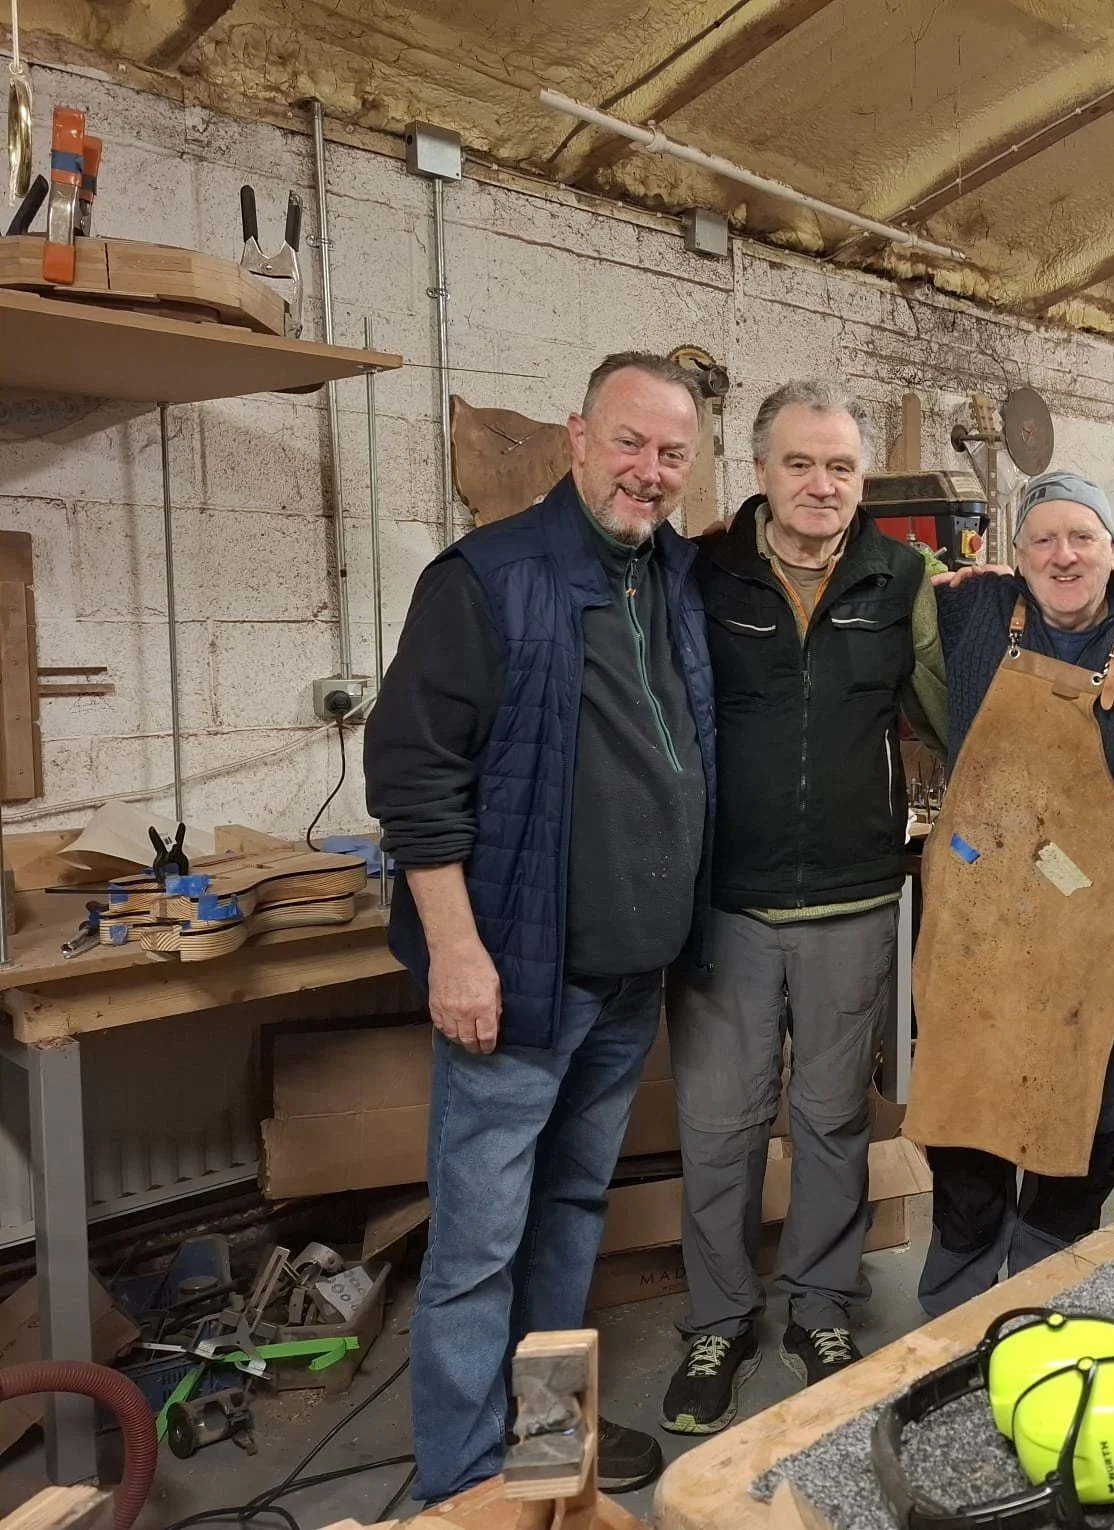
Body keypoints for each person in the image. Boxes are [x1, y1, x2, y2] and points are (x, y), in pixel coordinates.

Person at [365, 352, 715, 1501]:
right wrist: (459, 953)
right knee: (477, 1252)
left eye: (672, 453)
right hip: (520, 976)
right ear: (577, 437)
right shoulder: (486, 578)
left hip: (626, 980)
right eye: (629, 443)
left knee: (570, 1220)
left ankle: (542, 1456)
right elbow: (415, 780)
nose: (649, 472)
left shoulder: (671, 575)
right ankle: (463, 1491)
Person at [662, 379, 946, 1433]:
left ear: (860, 479)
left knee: (832, 1121)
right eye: (799, 463)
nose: (820, 485)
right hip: (726, 905)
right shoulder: (701, 572)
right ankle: (718, 1321)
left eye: (839, 467)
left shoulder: (903, 577)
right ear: (760, 472)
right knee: (721, 1125)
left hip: (854, 898)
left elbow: (948, 715)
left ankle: (822, 1305)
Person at [909, 468, 1114, 1316]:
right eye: (1043, 538)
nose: (1064, 555)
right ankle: (955, 1319)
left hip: (1097, 935)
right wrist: (942, 574)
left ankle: (1043, 1301)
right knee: (968, 1126)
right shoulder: (968, 612)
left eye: (1083, 537)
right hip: (979, 927)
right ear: (1015, 553)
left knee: (1086, 1130)